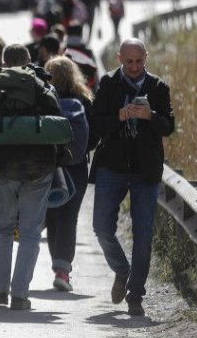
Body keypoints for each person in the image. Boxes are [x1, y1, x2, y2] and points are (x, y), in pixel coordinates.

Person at [90, 38, 175, 317]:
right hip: (112, 166)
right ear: (119, 59)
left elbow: (168, 127)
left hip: (145, 169)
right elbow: (97, 124)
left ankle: (135, 294)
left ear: (146, 58)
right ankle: (121, 269)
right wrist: (120, 116)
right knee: (101, 227)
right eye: (129, 61)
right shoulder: (108, 83)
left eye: (139, 61)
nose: (135, 66)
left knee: (143, 235)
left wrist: (150, 116)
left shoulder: (159, 87)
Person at [0, 44, 63, 311]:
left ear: (4, 62)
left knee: (2, 227)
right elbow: (56, 121)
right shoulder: (41, 86)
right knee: (30, 232)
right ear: (28, 61)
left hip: (2, 167)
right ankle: (20, 294)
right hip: (37, 168)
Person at [43, 56, 94, 292]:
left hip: (48, 166)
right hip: (76, 167)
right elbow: (93, 137)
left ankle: (58, 267)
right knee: (68, 217)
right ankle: (63, 270)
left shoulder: (43, 99)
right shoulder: (84, 100)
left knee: (52, 216)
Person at [63, 23, 99, 89]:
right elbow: (95, 73)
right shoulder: (88, 52)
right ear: (81, 34)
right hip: (86, 88)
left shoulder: (63, 50)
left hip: (66, 88)